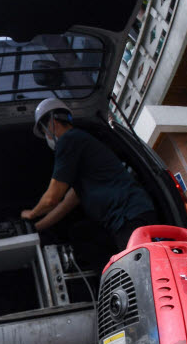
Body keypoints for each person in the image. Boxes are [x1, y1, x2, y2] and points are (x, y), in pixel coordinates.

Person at [21, 98, 157, 261]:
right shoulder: (81, 155)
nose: (46, 137)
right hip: (127, 217)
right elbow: (65, 204)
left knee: (144, 271)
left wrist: (31, 214)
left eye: (44, 132)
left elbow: (52, 198)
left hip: (128, 217)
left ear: (51, 123)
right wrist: (36, 227)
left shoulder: (68, 140)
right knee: (81, 233)